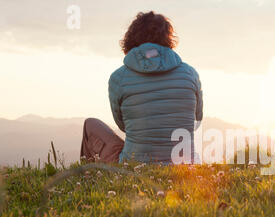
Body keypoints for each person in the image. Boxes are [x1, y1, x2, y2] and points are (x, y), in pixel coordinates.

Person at [81, 11, 203, 164]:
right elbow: (197, 119)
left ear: (131, 40)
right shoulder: (190, 74)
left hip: (135, 165)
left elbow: (123, 125)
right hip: (185, 164)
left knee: (90, 124)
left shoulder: (119, 78)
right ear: (168, 39)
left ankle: (87, 179)